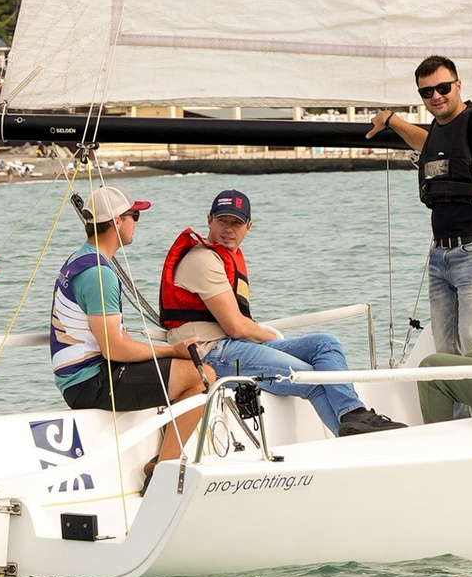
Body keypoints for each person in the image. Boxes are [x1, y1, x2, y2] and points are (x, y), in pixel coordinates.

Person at [157, 186, 400, 440]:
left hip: (232, 345)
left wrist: (263, 336)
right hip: (212, 352)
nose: (229, 229)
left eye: (236, 223)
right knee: (311, 378)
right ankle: (355, 438)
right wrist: (269, 335)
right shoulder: (202, 260)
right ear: (209, 220)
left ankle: (353, 415)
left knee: (326, 344)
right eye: (222, 221)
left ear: (248, 226)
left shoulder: (225, 257)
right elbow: (236, 327)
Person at [365, 34, 472, 355]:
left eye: (443, 88)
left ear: (458, 85)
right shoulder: (437, 132)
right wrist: (390, 119)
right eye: (427, 92)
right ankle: (459, 409)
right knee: (444, 349)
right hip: (440, 256)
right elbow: (422, 142)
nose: (436, 96)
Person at [49, 192, 208, 467]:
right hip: (89, 383)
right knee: (201, 374)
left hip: (81, 377)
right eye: (134, 216)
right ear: (116, 221)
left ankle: (163, 456)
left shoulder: (79, 259)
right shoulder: (99, 274)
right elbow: (115, 348)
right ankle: (163, 470)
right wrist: (172, 349)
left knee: (180, 367)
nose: (136, 221)